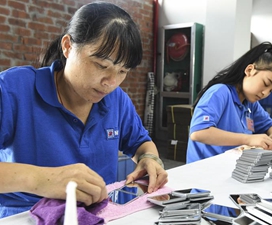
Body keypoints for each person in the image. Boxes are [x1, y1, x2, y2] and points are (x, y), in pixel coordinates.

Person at [0, 2, 167, 218]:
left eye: (122, 71)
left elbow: (140, 143)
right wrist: (42, 179)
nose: (111, 82)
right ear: (68, 46)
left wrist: (149, 159)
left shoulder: (116, 100)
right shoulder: (13, 90)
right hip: (24, 217)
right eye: (101, 65)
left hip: (97, 216)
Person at [186, 42, 272, 163]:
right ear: (250, 70)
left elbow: (271, 127)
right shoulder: (220, 92)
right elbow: (199, 133)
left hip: (231, 167)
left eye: (271, 90)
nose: (265, 93)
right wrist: (248, 139)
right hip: (205, 170)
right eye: (265, 84)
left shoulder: (250, 103)